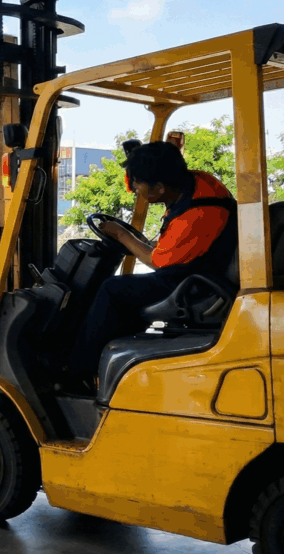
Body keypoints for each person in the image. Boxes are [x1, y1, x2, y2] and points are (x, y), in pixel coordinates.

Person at [66, 141, 238, 388]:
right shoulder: (196, 185)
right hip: (200, 274)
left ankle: (77, 373)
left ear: (158, 188)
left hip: (194, 285)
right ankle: (111, 361)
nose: (135, 187)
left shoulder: (197, 213)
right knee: (125, 291)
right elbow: (171, 243)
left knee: (112, 289)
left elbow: (156, 260)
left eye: (137, 182)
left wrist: (121, 235)